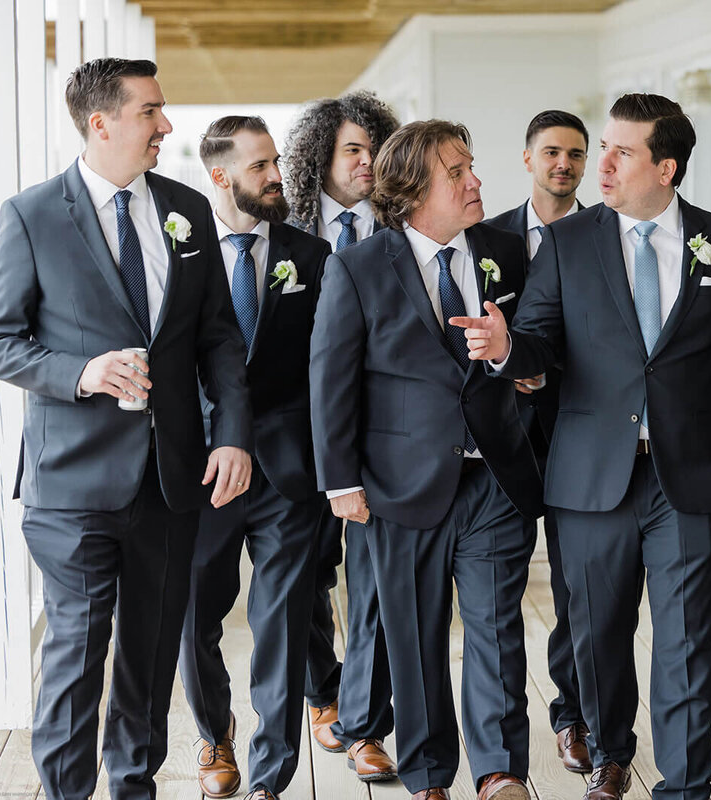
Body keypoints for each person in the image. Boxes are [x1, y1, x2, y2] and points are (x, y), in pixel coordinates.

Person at [452, 92, 711, 800]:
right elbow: (540, 339)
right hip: (588, 476)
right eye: (600, 147)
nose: (597, 164)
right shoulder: (569, 243)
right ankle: (609, 756)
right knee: (597, 633)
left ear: (666, 168)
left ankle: (686, 784)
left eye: (620, 152)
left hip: (686, 476)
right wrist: (511, 348)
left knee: (689, 637)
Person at [0, 58, 252, 800]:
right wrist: (83, 373)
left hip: (171, 479)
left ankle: (134, 787)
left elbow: (217, 339)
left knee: (147, 656)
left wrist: (231, 433)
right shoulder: (31, 214)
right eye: (151, 113)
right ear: (100, 123)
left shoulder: (187, 209)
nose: (167, 127)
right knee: (77, 652)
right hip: (71, 481)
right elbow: (4, 339)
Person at [310, 119, 544, 800]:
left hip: (495, 478)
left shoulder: (507, 250)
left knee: (498, 630)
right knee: (412, 639)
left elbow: (541, 349)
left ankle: (501, 771)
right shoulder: (356, 267)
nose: (476, 182)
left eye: (471, 167)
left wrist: (510, 351)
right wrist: (341, 482)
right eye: (457, 172)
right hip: (395, 488)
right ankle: (427, 773)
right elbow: (331, 381)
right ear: (413, 191)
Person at [179, 115, 332, 800]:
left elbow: (330, 367)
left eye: (276, 162)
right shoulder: (178, 256)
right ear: (220, 177)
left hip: (287, 472)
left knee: (284, 618)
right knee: (194, 614)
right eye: (260, 166)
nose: (277, 176)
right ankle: (215, 737)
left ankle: (271, 775)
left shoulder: (313, 254)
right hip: (202, 468)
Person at [282, 90, 401, 779]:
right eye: (352, 150)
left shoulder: (405, 224)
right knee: (302, 576)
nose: (365, 163)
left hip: (386, 432)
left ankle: (365, 722)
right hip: (298, 434)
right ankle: (322, 692)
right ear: (320, 156)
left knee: (379, 581)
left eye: (374, 150)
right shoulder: (285, 228)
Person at [486, 108, 592, 772]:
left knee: (579, 589)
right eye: (551, 152)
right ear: (527, 158)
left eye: (576, 155)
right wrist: (504, 370)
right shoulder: (485, 236)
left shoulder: (603, 236)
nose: (563, 164)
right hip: (505, 443)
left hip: (582, 434)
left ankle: (573, 715)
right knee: (497, 593)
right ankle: (500, 740)